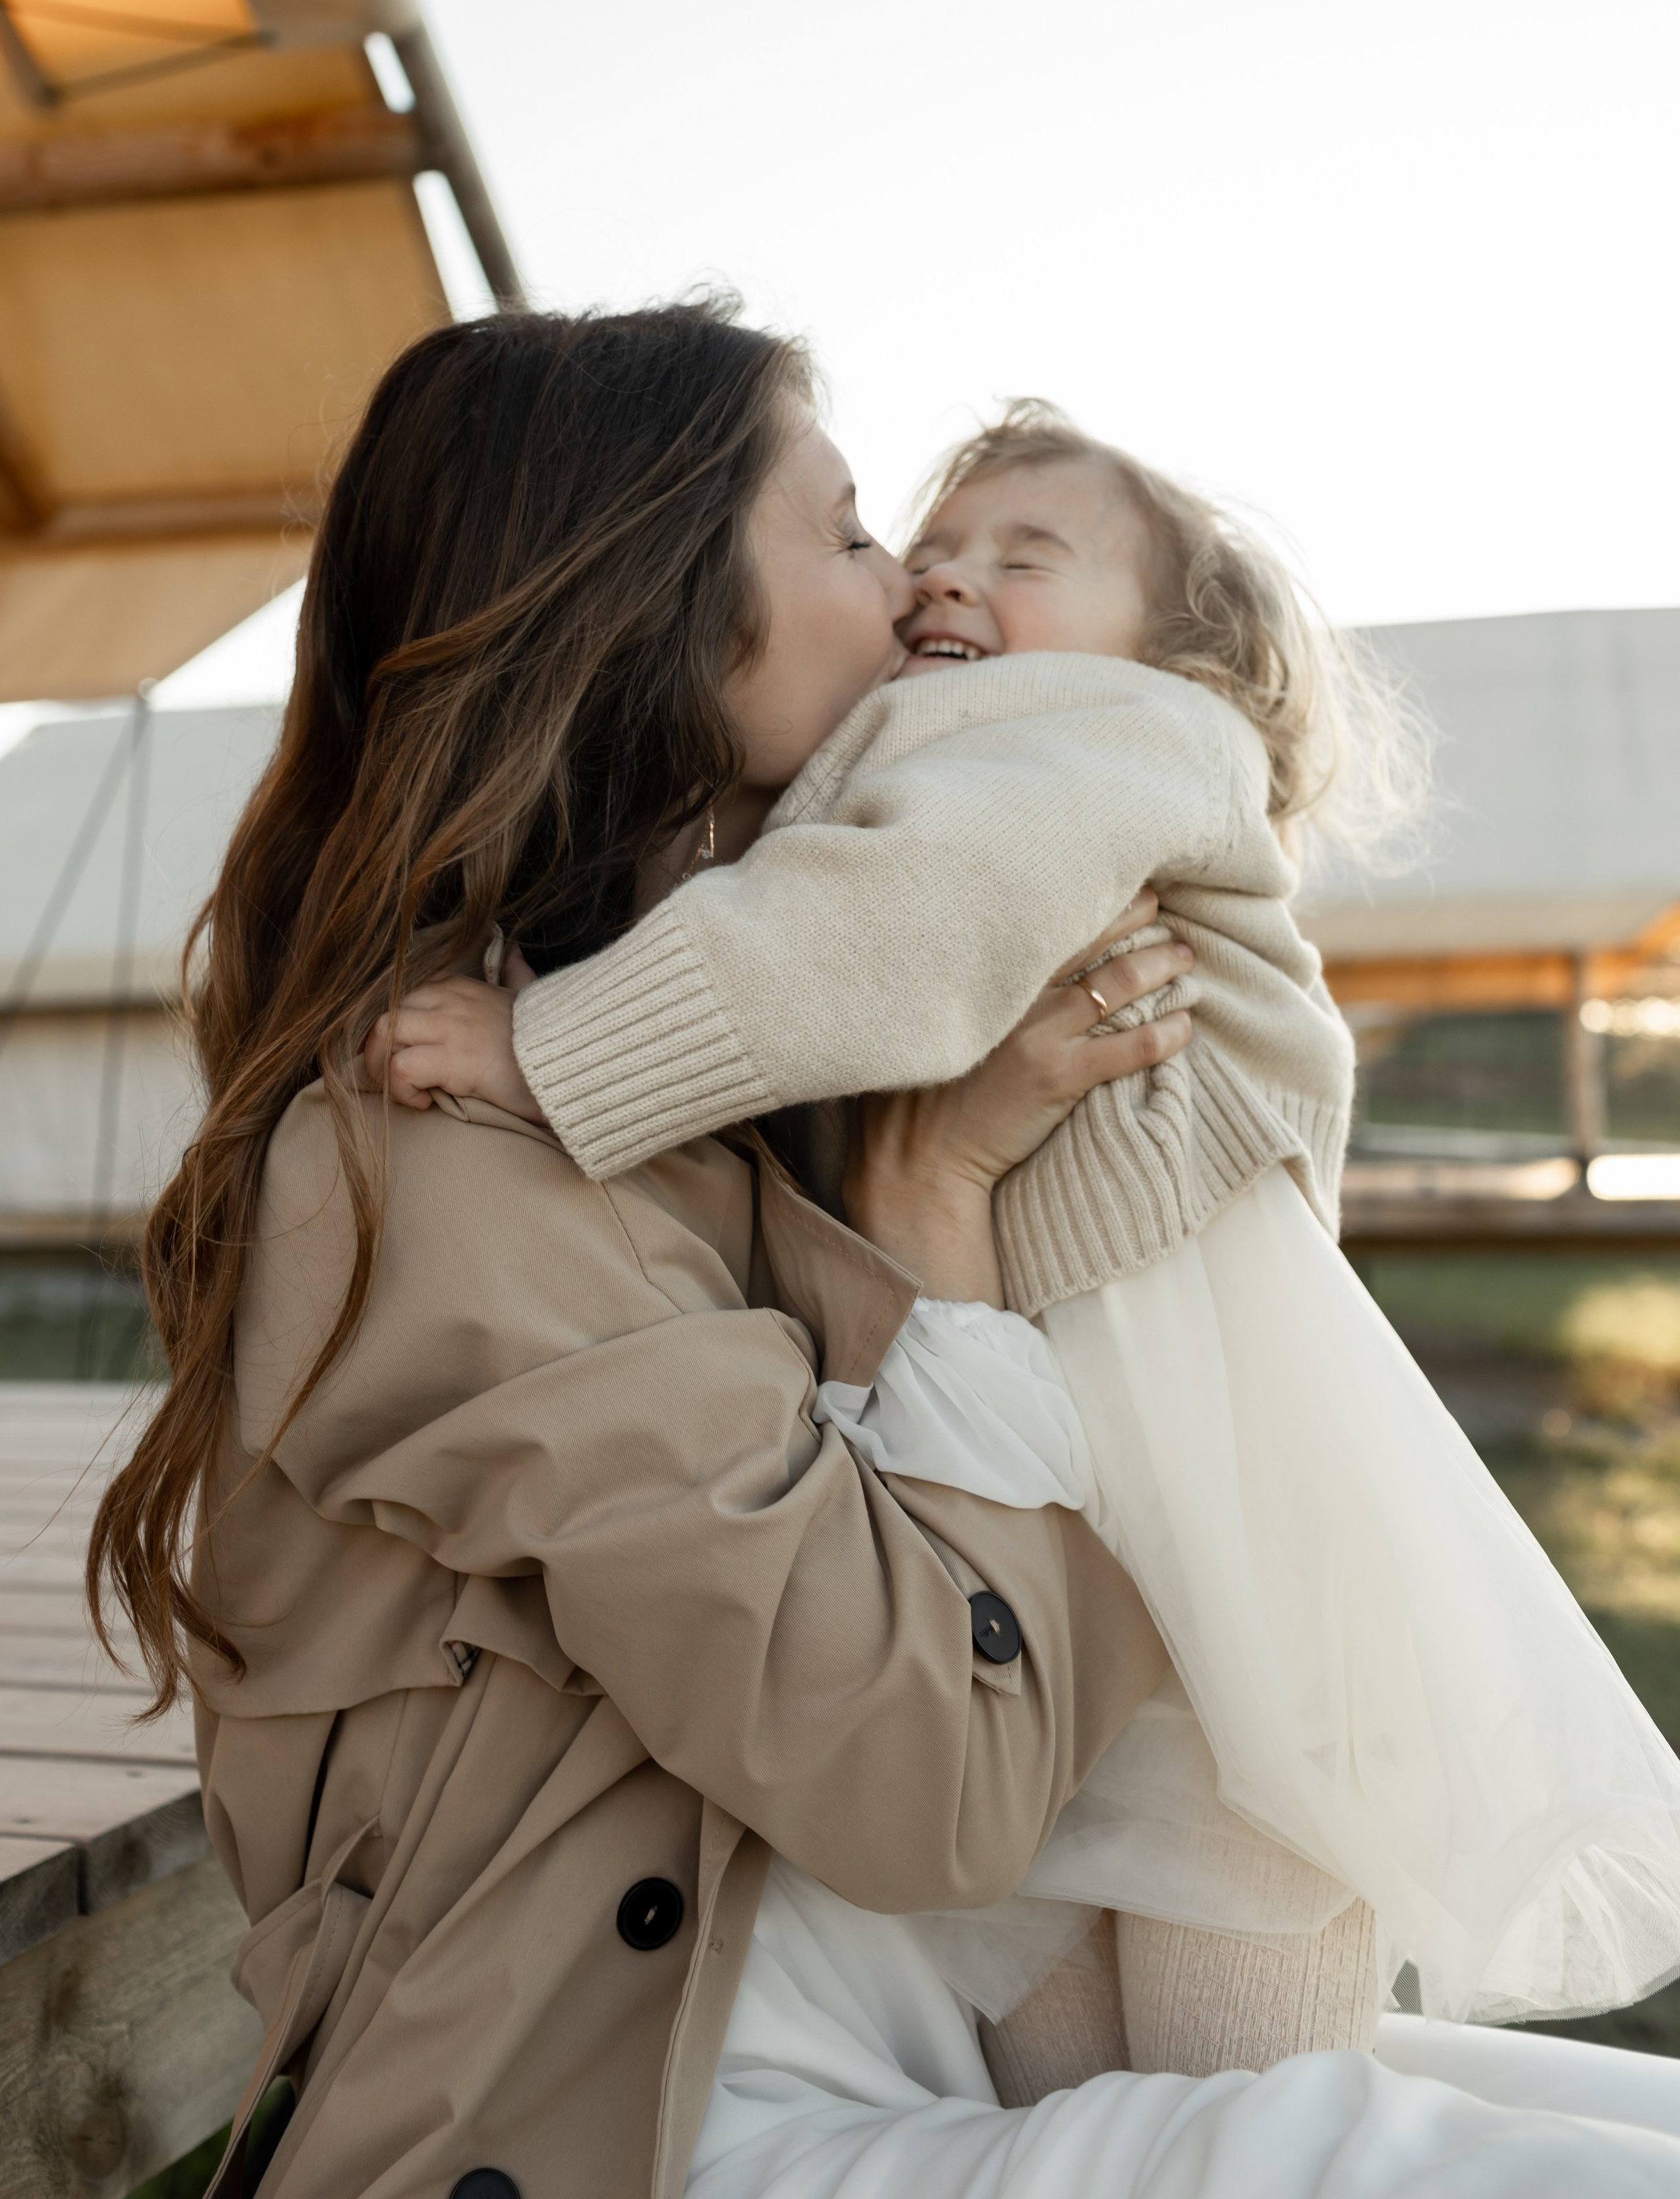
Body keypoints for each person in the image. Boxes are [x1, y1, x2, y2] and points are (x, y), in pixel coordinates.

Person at [371, 403, 1680, 2113]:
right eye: (927, 544)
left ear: (1176, 642)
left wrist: (556, 1044)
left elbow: (902, 921)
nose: (945, 577)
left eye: (1024, 554)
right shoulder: (948, 750)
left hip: (1187, 1441)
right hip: (1055, 1454)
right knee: (1051, 1965)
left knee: (1243, 1931)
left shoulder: (1108, 734)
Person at [84, 305, 1188, 2199]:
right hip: (652, 2126)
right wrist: (937, 1208)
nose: (921, 591)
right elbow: (942, 1781)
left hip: (876, 2052)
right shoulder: (439, 1157)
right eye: (848, 536)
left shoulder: (715, 1093)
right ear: (656, 619)